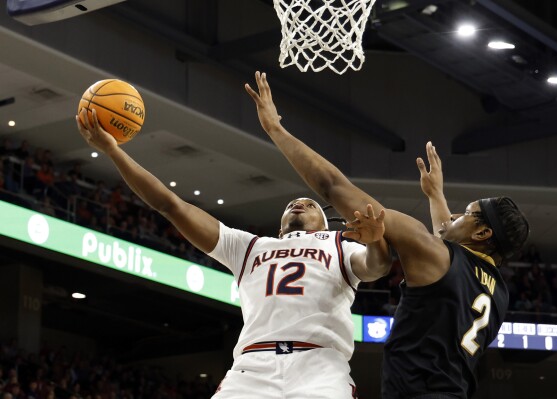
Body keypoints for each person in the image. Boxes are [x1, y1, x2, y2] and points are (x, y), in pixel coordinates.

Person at [245, 71, 530, 399]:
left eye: (466, 214)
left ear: (482, 232)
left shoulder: (434, 253)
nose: (453, 216)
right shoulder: (498, 292)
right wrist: (435, 195)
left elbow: (334, 187)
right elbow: (445, 240)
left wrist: (275, 129)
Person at [76, 109, 391, 399]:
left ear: (325, 223)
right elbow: (170, 205)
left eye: (309, 204)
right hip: (253, 367)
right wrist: (114, 151)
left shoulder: (338, 243)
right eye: (292, 204)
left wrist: (376, 242)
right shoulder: (249, 247)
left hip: (320, 364)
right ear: (280, 229)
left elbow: (375, 268)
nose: (299, 204)